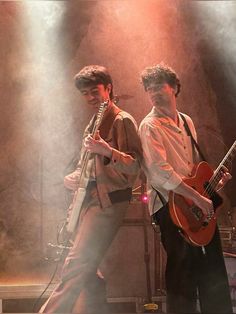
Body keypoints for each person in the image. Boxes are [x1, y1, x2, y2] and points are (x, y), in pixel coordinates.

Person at [40, 65, 142, 313]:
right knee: (89, 271)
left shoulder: (122, 120)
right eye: (84, 93)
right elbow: (86, 166)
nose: (89, 98)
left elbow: (136, 165)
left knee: (76, 265)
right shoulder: (94, 121)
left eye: (93, 91)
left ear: (108, 87)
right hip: (89, 201)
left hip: (107, 203)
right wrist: (72, 178)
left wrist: (107, 151)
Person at [139, 63, 233, 314]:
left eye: (159, 86)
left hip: (196, 202)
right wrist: (197, 199)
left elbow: (192, 169)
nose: (154, 92)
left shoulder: (187, 122)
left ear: (174, 88)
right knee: (182, 272)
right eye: (149, 89)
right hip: (169, 205)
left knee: (213, 267)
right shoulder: (149, 126)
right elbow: (160, 173)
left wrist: (211, 186)